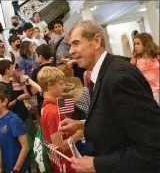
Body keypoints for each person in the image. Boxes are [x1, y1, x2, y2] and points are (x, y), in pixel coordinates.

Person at [58, 20, 160, 172]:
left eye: (76, 43)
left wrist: (96, 164)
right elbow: (117, 120)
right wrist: (82, 124)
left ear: (96, 41)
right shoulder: (104, 72)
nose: (71, 51)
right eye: (71, 45)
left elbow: (153, 148)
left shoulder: (118, 78)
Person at [37, 66, 75, 173]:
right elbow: (59, 147)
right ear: (50, 85)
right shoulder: (53, 111)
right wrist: (79, 134)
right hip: (64, 162)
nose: (64, 86)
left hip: (57, 161)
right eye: (61, 83)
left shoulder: (46, 105)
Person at [0, 86, 31, 173]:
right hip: (6, 168)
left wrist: (16, 169)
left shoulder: (14, 119)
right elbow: (1, 145)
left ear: (4, 101)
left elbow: (25, 147)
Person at [22, 44, 54, 113]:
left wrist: (29, 81)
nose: (35, 57)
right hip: (55, 100)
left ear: (40, 57)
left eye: (36, 55)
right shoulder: (55, 68)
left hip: (43, 102)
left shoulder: (36, 71)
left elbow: (34, 91)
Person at [131, 33, 159, 104]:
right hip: (149, 94)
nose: (135, 46)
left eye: (138, 44)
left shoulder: (157, 56)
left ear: (146, 44)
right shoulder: (135, 60)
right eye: (134, 44)